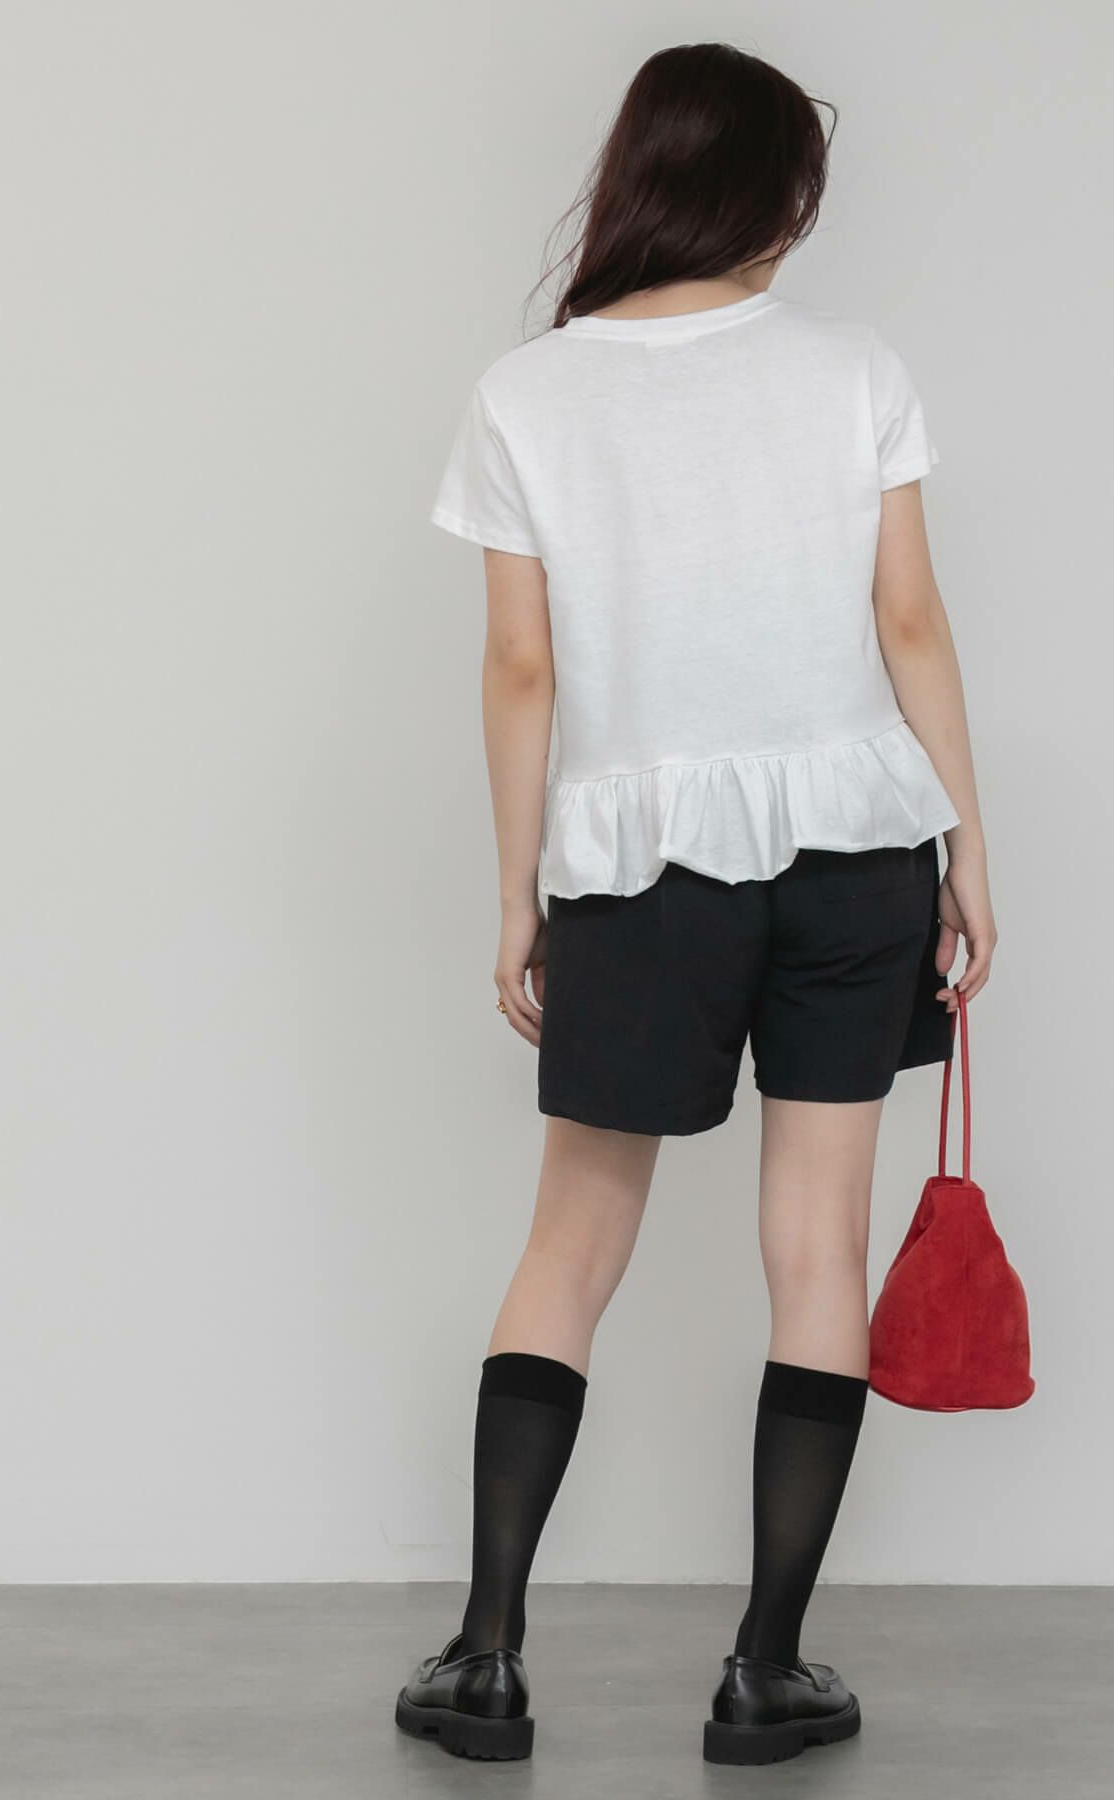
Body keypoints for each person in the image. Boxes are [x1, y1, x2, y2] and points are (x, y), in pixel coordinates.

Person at [396, 40, 997, 1768]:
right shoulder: (853, 370)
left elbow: (522, 667)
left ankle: (486, 1662)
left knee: (569, 1246)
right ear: (771, 192)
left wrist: (518, 891)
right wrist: (966, 844)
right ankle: (763, 1671)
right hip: (856, 852)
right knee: (817, 1249)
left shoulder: (531, 395)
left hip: (638, 871)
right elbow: (911, 624)